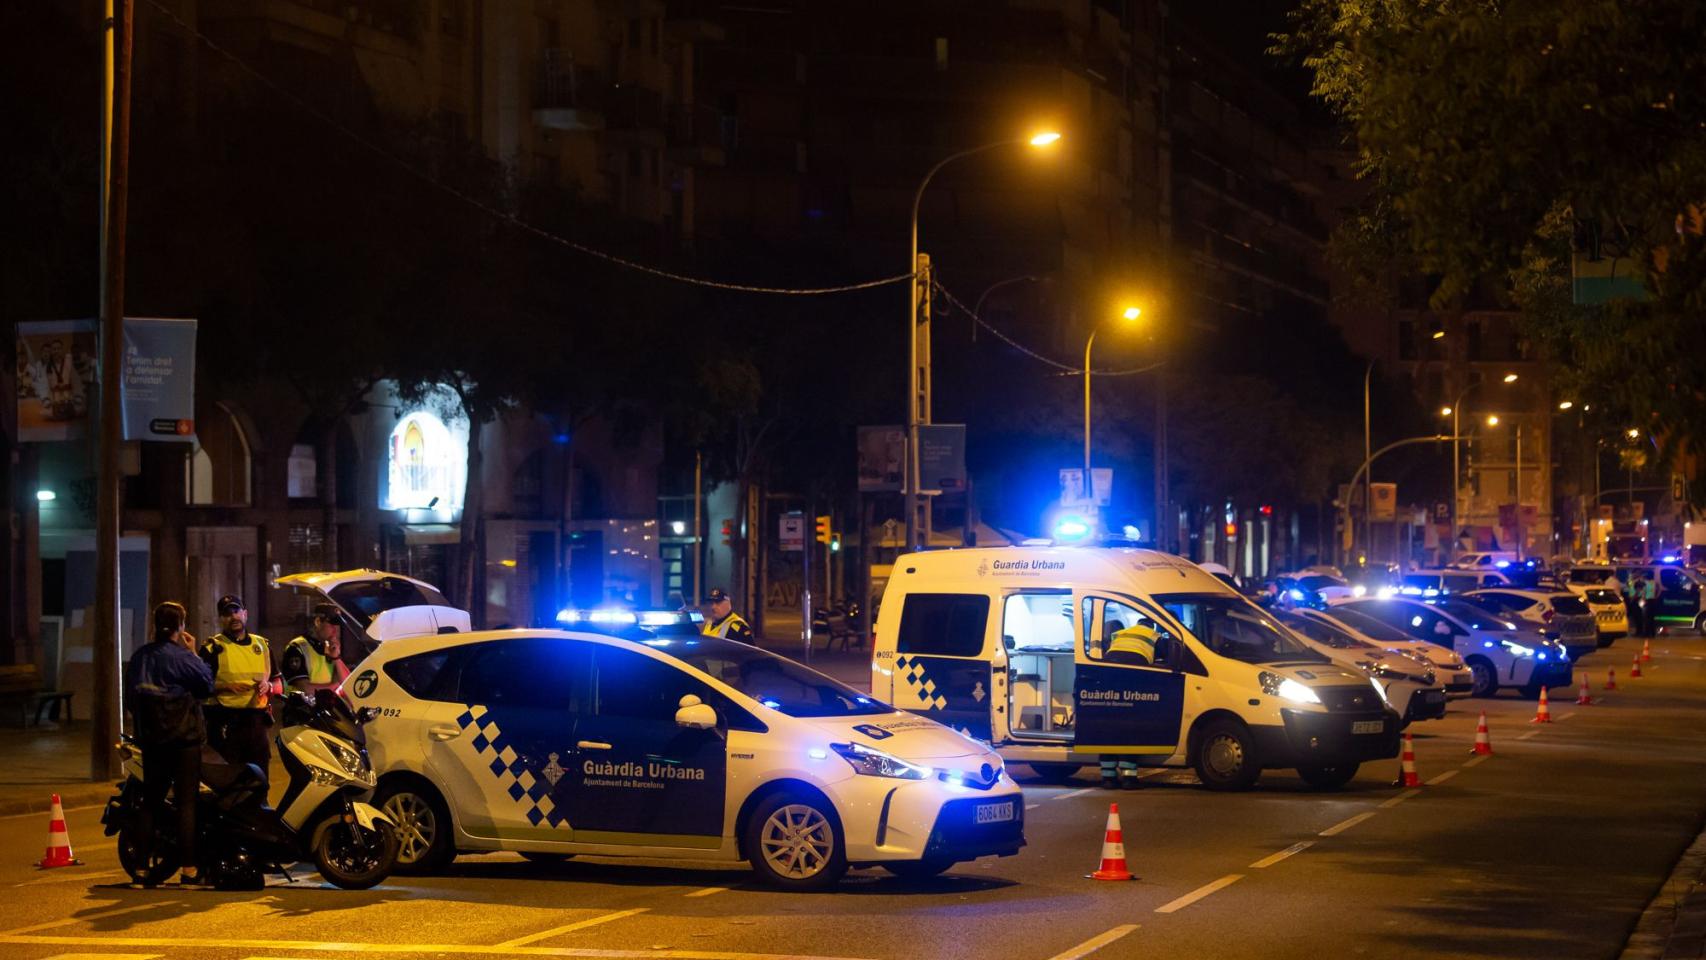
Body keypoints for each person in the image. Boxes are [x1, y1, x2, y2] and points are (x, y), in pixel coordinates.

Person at [123, 601, 214, 887]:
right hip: (184, 741)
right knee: (187, 803)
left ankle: (140, 870)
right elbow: (206, 685)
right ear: (181, 626)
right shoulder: (182, 657)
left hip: (151, 741)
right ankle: (189, 870)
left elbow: (131, 699)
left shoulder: (140, 658)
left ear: (155, 624)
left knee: (150, 803)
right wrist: (194, 653)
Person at [199, 595, 280, 772]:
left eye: (236, 611)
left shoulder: (262, 645)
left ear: (245, 614)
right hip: (226, 725)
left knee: (260, 780)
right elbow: (199, 688)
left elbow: (279, 683)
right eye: (227, 614)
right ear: (220, 619)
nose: (233, 617)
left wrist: (269, 687)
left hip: (257, 724)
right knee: (229, 780)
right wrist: (225, 687)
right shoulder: (212, 648)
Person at [282, 604, 352, 698]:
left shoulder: (331, 649)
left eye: (337, 625)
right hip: (301, 710)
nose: (335, 630)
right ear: (318, 622)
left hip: (325, 710)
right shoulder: (296, 648)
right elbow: (305, 690)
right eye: (331, 624)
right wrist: (333, 688)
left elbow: (348, 685)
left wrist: (336, 658)